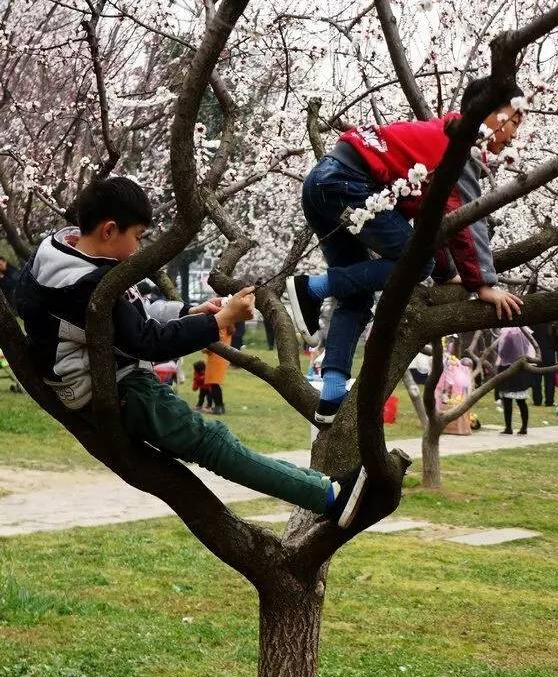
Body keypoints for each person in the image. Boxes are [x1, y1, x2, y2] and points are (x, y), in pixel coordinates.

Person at [15, 176, 368, 529]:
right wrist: (219, 323)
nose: (138, 251)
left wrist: (189, 312)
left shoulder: (64, 251)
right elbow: (147, 341)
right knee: (213, 443)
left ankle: (324, 491)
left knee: (211, 441)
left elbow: (133, 314)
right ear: (109, 230)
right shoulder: (85, 285)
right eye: (137, 237)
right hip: (113, 388)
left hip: (107, 376)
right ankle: (328, 496)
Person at [286, 77, 524, 425]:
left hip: (322, 184)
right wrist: (483, 283)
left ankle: (331, 395)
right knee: (418, 263)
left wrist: (450, 273)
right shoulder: (461, 146)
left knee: (358, 291)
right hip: (348, 185)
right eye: (514, 121)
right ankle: (313, 288)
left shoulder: (443, 137)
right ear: (486, 114)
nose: (515, 134)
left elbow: (435, 221)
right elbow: (465, 221)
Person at [495, 326, 537, 435]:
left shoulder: (508, 336)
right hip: (521, 370)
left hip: (508, 370)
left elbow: (503, 353)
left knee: (507, 401)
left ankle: (508, 427)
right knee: (521, 402)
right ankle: (524, 427)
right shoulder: (525, 335)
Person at [530, 322, 558, 407]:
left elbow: (531, 338)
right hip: (550, 356)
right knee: (550, 380)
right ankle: (549, 401)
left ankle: (537, 400)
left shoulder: (535, 325)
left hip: (537, 355)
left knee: (536, 379)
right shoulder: (553, 326)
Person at [203, 327, 230, 415]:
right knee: (214, 384)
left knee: (214, 383)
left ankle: (219, 407)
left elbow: (216, 341)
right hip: (220, 358)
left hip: (216, 358)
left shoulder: (222, 327)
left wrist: (204, 347)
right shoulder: (229, 326)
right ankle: (218, 407)